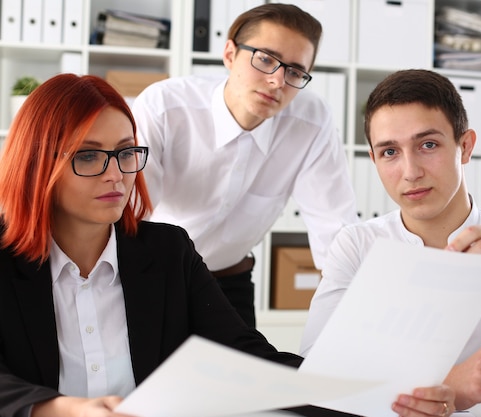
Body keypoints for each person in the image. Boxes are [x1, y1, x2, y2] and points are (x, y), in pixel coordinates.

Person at [0, 73, 454, 417]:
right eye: (89, 155)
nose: (116, 173)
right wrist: (53, 408)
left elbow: (249, 360)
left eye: (124, 152)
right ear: (37, 162)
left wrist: (389, 393)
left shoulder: (167, 253)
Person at [300, 69, 481, 417]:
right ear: (374, 159)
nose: (410, 172)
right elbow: (314, 385)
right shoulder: (356, 246)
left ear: (465, 146)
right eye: (390, 152)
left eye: (428, 145)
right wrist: (450, 385)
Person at [132, 3, 359, 328]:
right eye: (265, 59)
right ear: (229, 54)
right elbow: (131, 215)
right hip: (153, 271)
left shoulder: (311, 121)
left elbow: (334, 231)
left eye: (294, 71)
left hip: (227, 279)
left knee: (245, 373)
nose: (277, 81)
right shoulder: (166, 106)